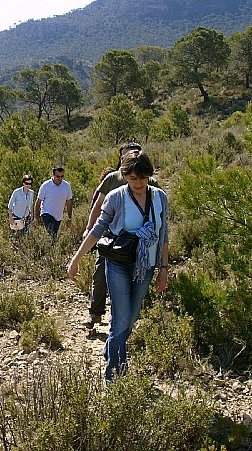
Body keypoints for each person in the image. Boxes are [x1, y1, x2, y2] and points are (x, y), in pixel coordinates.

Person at [67, 151, 169, 383]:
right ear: (125, 176)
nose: (138, 183)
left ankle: (112, 347)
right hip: (118, 263)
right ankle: (114, 374)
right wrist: (76, 259)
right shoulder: (116, 197)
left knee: (131, 318)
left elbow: (164, 234)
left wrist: (163, 269)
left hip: (146, 265)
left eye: (143, 178)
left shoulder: (160, 197)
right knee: (121, 318)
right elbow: (98, 229)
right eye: (133, 178)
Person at [82, 142, 159, 329]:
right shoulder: (112, 179)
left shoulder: (151, 182)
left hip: (138, 243)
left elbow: (159, 214)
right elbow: (98, 205)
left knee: (134, 281)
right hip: (110, 239)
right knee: (100, 275)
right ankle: (95, 313)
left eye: (135, 153)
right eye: (126, 155)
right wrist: (89, 227)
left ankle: (121, 321)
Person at [34, 166, 73, 240]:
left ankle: (48, 246)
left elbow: (69, 203)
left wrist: (69, 218)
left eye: (62, 176)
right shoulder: (46, 185)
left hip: (58, 216)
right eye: (58, 176)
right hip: (46, 213)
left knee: (53, 235)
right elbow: (38, 202)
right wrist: (36, 217)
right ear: (53, 174)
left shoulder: (66, 186)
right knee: (52, 234)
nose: (60, 178)